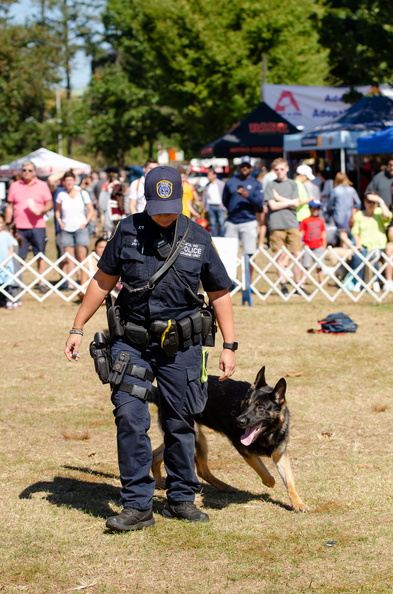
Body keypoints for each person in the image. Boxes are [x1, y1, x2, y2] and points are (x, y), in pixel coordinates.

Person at [64, 165, 236, 531]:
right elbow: (102, 281)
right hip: (132, 343)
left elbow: (219, 293)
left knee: (180, 421)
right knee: (129, 418)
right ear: (146, 199)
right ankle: (137, 505)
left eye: (171, 205)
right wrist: (77, 326)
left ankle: (181, 498)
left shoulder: (198, 237)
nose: (164, 212)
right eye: (158, 205)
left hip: (183, 347)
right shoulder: (126, 230)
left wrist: (230, 344)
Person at [4, 160, 53, 293]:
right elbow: (10, 206)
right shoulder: (15, 186)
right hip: (19, 226)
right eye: (24, 170)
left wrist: (41, 211)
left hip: (38, 226)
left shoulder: (42, 185)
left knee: (40, 254)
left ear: (34, 172)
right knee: (20, 256)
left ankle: (41, 281)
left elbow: (49, 204)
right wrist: (7, 225)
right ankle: (18, 282)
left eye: (29, 170)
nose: (26, 173)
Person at [264, 158, 306, 295]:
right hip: (276, 224)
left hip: (292, 223)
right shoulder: (270, 185)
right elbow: (272, 206)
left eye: (282, 169)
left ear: (287, 169)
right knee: (280, 256)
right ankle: (283, 285)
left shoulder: (293, 184)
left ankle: (298, 285)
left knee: (297, 254)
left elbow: (297, 203)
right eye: (276, 169)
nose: (279, 172)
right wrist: (290, 202)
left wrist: (280, 199)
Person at [55, 171, 95, 291]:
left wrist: (85, 222)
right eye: (66, 181)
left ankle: (82, 280)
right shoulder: (61, 195)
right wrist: (60, 221)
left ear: (74, 181)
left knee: (82, 256)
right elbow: (57, 211)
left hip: (80, 228)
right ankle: (70, 282)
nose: (68, 183)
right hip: (66, 229)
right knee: (69, 258)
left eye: (70, 180)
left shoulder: (83, 194)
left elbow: (91, 209)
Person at [348, 191, 393, 292]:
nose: (371, 204)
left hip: (378, 246)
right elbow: (355, 232)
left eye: (373, 202)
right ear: (364, 202)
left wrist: (380, 200)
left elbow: (387, 215)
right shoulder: (359, 215)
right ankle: (359, 281)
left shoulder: (379, 213)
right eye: (369, 201)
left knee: (373, 255)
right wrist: (358, 244)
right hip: (363, 245)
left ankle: (375, 281)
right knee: (357, 255)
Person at [222, 160, 263, 259]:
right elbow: (224, 200)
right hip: (232, 221)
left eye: (247, 167)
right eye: (243, 166)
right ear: (239, 168)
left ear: (251, 169)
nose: (245, 168)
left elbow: (259, 202)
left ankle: (248, 275)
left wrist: (248, 196)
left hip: (248, 221)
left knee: (249, 253)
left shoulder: (256, 183)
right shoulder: (230, 182)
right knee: (229, 253)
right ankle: (231, 275)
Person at [327, 172, 361, 248]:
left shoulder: (335, 190)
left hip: (339, 216)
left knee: (342, 235)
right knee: (345, 236)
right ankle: (345, 254)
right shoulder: (351, 189)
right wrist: (355, 210)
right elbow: (358, 203)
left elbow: (330, 204)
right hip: (351, 216)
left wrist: (329, 213)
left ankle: (355, 247)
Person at [299, 199, 327, 284]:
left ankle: (321, 280)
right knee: (305, 264)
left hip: (318, 246)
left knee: (319, 265)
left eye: (318, 209)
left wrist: (324, 246)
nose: (316, 211)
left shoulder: (321, 221)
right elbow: (301, 233)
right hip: (307, 246)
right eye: (314, 208)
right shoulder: (305, 220)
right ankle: (302, 280)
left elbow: (323, 234)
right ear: (310, 209)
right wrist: (300, 242)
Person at [202, 168, 226, 236]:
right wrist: (205, 207)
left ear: (214, 175)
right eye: (208, 175)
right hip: (210, 206)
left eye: (210, 175)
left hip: (219, 206)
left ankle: (222, 237)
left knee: (221, 223)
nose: (208, 177)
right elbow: (205, 197)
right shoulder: (207, 185)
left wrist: (224, 205)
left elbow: (224, 195)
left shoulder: (221, 184)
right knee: (213, 224)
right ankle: (214, 238)